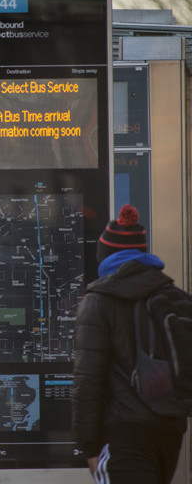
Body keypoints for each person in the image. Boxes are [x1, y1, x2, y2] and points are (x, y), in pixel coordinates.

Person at [72, 204, 187, 483]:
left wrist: (89, 447)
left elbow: (88, 380)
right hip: (169, 435)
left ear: (105, 257)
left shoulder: (99, 301)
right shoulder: (174, 297)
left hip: (122, 437)